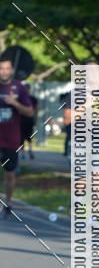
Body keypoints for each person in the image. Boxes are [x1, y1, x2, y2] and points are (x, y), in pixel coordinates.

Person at [63, 61, 99, 172]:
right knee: (81, 181)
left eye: (96, 70)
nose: (93, 73)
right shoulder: (75, 93)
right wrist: (85, 105)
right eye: (89, 70)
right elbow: (67, 120)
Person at [0, 57, 33, 219]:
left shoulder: (18, 88)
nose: (4, 71)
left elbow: (29, 112)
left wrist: (14, 103)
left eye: (7, 68)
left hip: (11, 139)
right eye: (1, 68)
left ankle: (8, 203)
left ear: (12, 70)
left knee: (10, 174)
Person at [20, 92, 38, 159]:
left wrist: (35, 119)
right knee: (21, 138)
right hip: (21, 121)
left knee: (29, 137)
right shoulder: (20, 99)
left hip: (29, 121)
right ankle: (23, 153)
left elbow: (36, 109)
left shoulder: (33, 99)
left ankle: (30, 150)